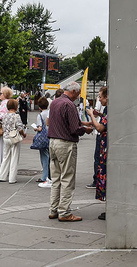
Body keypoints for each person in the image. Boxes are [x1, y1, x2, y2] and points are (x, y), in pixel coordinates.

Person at [47, 82, 93, 222]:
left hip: (52, 142)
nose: (78, 97)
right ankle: (65, 212)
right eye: (78, 94)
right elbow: (74, 128)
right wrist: (86, 129)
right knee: (67, 178)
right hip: (65, 144)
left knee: (56, 179)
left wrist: (82, 124)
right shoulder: (69, 104)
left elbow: (60, 121)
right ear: (73, 91)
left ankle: (53, 209)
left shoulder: (55, 102)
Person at [86, 87, 108, 220]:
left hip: (106, 146)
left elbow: (100, 127)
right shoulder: (107, 109)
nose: (99, 99)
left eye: (100, 96)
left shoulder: (110, 108)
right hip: (105, 146)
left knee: (105, 176)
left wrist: (92, 116)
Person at [0, 99, 25, 184]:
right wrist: (23, 134)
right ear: (16, 106)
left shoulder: (5, 116)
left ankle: (1, 176)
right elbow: (20, 128)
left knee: (5, 157)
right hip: (14, 138)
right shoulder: (16, 116)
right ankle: (12, 178)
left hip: (5, 137)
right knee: (14, 158)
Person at [34, 97, 52, 188]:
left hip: (43, 138)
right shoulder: (50, 113)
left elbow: (40, 128)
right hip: (50, 136)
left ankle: (45, 176)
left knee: (44, 158)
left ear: (39, 107)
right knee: (49, 157)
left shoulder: (40, 115)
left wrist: (35, 128)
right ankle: (49, 175)